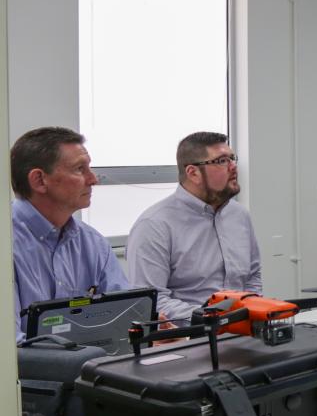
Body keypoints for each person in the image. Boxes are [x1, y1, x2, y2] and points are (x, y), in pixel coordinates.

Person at [10, 127, 129, 342]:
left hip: (89, 368)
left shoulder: (93, 243)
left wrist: (149, 331)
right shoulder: (7, 244)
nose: (93, 179)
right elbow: (11, 347)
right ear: (39, 180)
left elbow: (124, 314)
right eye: (79, 169)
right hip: (30, 374)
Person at [127, 132, 261, 321]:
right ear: (193, 173)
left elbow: (252, 276)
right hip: (190, 338)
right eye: (222, 161)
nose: (233, 167)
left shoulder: (239, 215)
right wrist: (213, 318)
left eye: (232, 158)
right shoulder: (154, 225)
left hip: (244, 331)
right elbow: (151, 301)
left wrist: (252, 311)